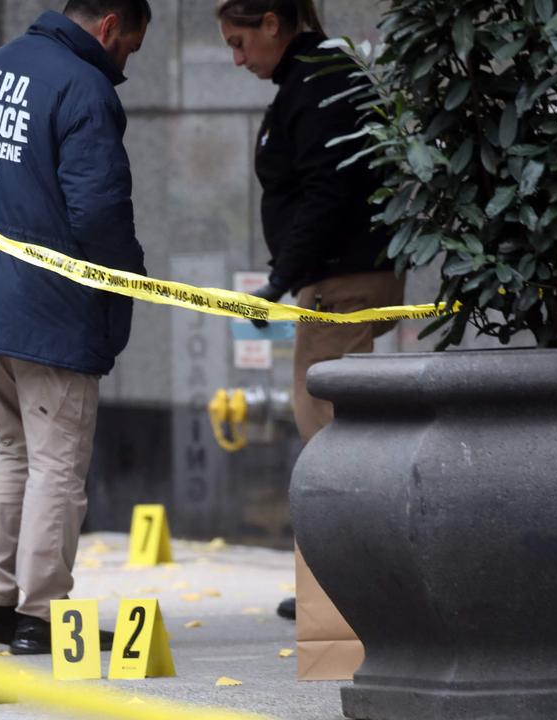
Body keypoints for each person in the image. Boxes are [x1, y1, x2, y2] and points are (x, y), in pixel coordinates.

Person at [0, 0, 151, 655]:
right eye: (130, 49)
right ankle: (41, 615)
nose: (125, 66)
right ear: (111, 25)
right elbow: (98, 215)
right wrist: (126, 288)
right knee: (58, 464)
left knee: (14, 452)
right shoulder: (83, 86)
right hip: (53, 313)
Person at [216, 0, 405, 621]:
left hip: (340, 282)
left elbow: (327, 189)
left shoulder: (319, 81)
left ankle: (340, 591)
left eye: (241, 42)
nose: (238, 59)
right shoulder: (311, 78)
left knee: (326, 434)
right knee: (331, 430)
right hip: (335, 278)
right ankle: (342, 586)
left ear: (274, 22)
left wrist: (279, 278)